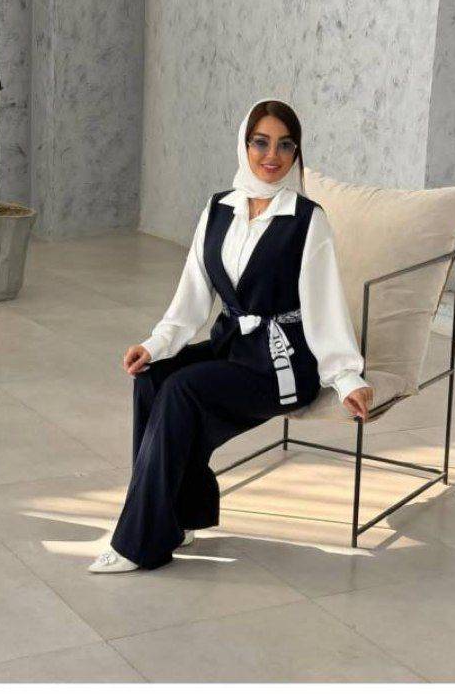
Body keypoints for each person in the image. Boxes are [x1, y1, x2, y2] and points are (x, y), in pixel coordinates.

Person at [88, 97, 374, 574]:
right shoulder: (218, 208)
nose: (272, 155)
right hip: (234, 348)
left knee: (183, 390)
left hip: (283, 364)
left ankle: (140, 541)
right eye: (261, 142)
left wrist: (346, 378)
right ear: (244, 145)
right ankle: (179, 515)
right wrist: (156, 345)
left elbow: (325, 306)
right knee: (153, 378)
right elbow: (193, 293)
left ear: (296, 152)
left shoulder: (308, 219)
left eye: (285, 145)